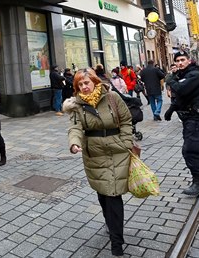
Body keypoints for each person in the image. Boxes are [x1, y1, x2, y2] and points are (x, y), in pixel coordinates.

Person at [63, 68, 133, 257]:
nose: (84, 87)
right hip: (94, 152)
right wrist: (74, 144)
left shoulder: (112, 97)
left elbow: (126, 119)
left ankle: (116, 242)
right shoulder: (76, 105)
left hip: (118, 149)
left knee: (113, 194)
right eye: (80, 85)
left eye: (86, 83)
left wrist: (126, 141)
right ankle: (110, 224)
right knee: (103, 193)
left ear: (94, 81)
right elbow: (75, 127)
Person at [165, 51, 199, 196]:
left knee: (189, 150)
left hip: (197, 118)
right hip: (189, 118)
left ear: (189, 60)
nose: (180, 63)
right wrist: (171, 109)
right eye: (177, 61)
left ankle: (197, 182)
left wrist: (170, 80)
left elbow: (181, 89)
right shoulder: (183, 75)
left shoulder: (195, 74)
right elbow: (181, 98)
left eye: (182, 60)